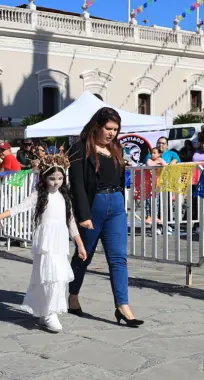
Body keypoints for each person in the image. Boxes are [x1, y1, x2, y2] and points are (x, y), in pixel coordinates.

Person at [0, 153, 87, 332]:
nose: (56, 182)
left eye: (59, 178)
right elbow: (18, 208)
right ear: (44, 178)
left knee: (57, 277)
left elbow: (70, 221)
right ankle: (48, 313)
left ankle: (47, 312)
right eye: (52, 178)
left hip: (60, 241)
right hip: (46, 242)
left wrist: (79, 244)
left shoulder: (65, 197)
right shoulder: (39, 196)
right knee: (47, 277)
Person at [67, 107, 144, 327]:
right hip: (94, 207)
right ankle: (73, 296)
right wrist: (83, 215)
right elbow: (78, 186)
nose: (112, 133)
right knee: (84, 256)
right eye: (108, 128)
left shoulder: (116, 147)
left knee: (119, 258)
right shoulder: (79, 149)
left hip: (117, 206)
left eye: (116, 129)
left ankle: (123, 306)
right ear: (97, 126)